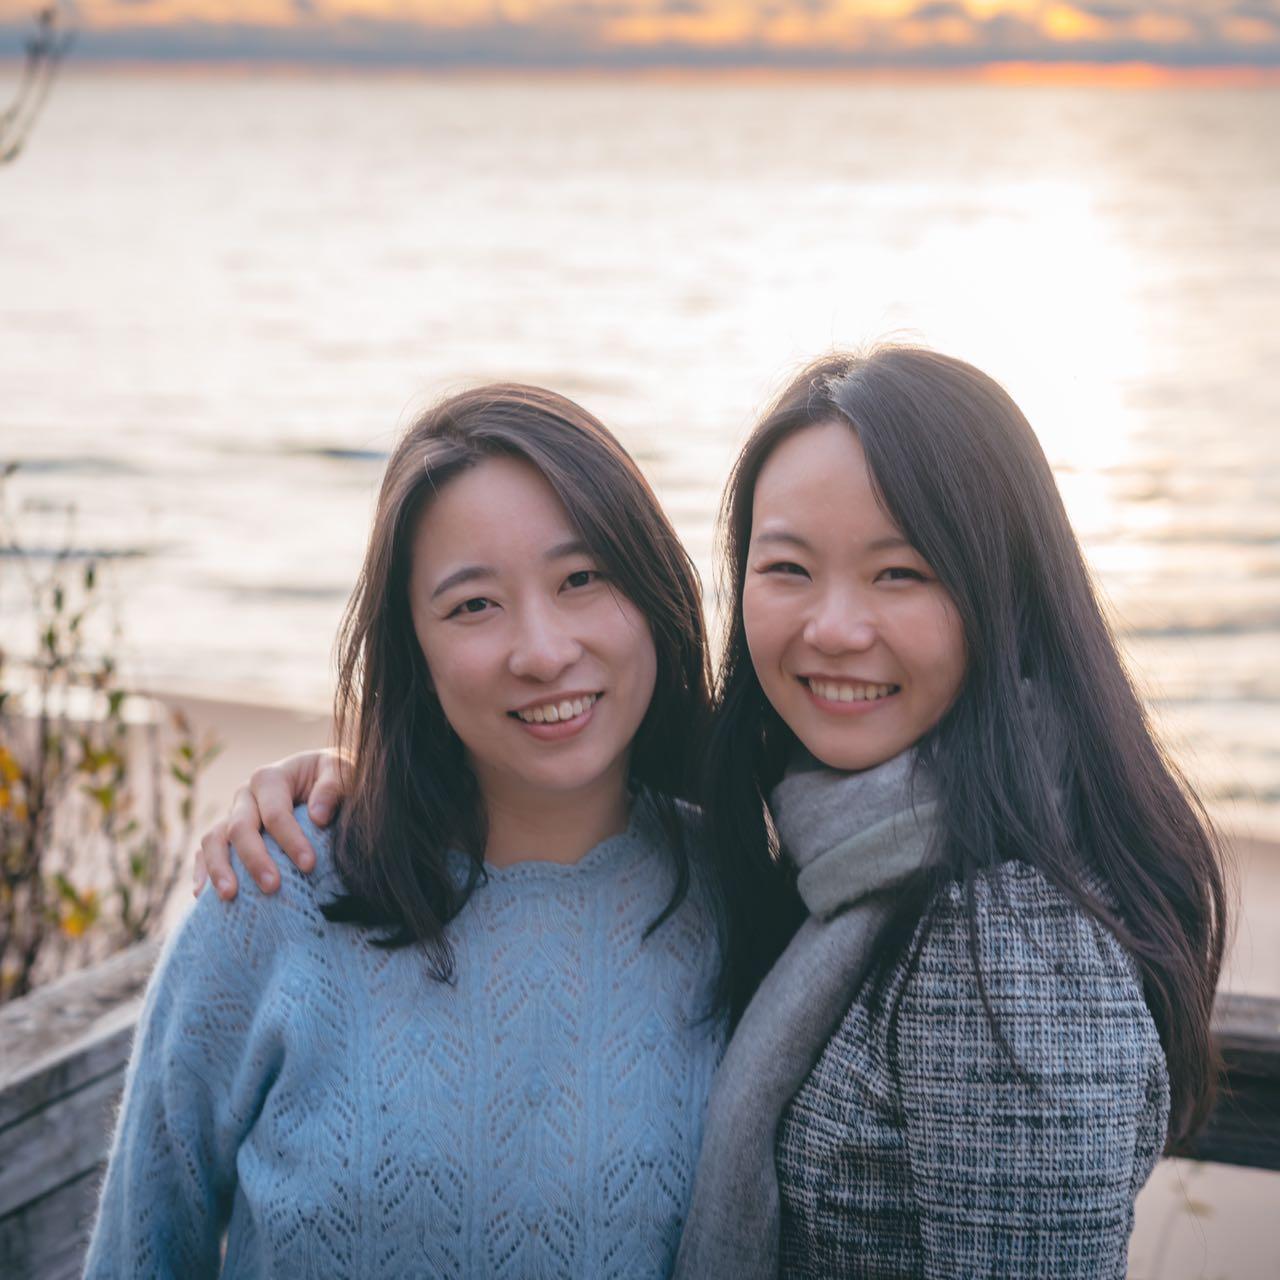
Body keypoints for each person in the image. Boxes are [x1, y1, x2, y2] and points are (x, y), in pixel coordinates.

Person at [198, 348, 1226, 1279]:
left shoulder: (1009, 941)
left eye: (899, 571)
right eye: (785, 567)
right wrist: (360, 772)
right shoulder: (816, 862)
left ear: (1003, 595)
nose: (832, 626)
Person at [86, 384, 726, 1279]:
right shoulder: (275, 895)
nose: (541, 651)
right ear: (413, 651)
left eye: (582, 579)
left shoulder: (741, 899)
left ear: (654, 589)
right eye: (473, 606)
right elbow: (140, 1254)